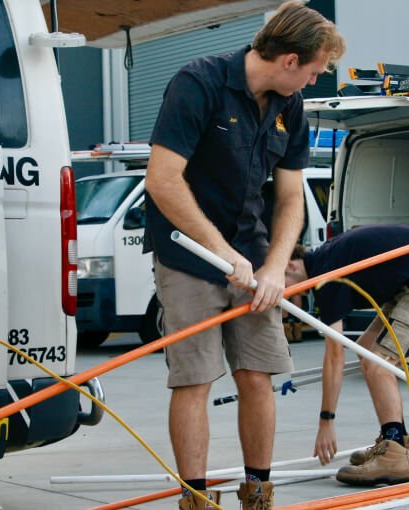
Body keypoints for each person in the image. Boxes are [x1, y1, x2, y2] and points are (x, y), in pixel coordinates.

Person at [143, 2, 345, 509]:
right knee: (194, 378)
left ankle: (258, 492)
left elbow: (291, 197)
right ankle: (196, 499)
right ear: (290, 60)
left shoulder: (289, 106)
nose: (315, 82)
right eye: (315, 71)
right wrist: (220, 251)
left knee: (258, 373)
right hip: (187, 254)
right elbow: (162, 181)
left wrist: (274, 266)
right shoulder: (198, 84)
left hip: (252, 257)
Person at [284, 224, 409, 486]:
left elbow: (334, 356)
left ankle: (393, 454)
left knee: (378, 365)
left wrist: (326, 421)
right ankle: (399, 440)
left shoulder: (327, 275)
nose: (284, 292)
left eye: (281, 283)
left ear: (291, 266)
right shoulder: (325, 259)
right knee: (366, 351)